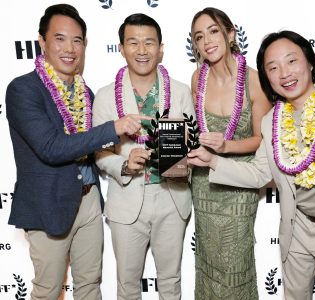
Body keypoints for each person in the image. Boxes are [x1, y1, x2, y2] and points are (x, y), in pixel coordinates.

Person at [188, 30, 315, 300]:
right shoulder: (271, 122)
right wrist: (214, 161)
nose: (284, 73)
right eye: (272, 68)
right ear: (266, 78)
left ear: (309, 61)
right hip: (297, 230)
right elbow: (259, 171)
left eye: (291, 61)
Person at [5, 4, 144, 300]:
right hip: (48, 205)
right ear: (42, 42)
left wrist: (125, 162)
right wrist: (113, 127)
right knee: (48, 290)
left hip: (89, 201)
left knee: (90, 285)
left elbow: (92, 149)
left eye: (77, 40)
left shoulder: (86, 93)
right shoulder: (23, 90)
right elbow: (51, 148)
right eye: (60, 38)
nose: (70, 48)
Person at [92, 13, 194, 300]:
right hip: (126, 201)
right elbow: (99, 152)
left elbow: (195, 145)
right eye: (133, 43)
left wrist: (187, 146)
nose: (142, 50)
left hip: (172, 198)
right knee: (127, 285)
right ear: (121, 48)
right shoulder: (104, 96)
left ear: (161, 48)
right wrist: (124, 163)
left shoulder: (182, 92)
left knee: (171, 282)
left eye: (149, 42)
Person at [189, 7, 271, 299]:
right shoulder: (197, 78)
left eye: (213, 31)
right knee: (208, 261)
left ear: (231, 33)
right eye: (199, 36)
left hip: (239, 183)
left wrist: (226, 146)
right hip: (204, 183)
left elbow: (261, 138)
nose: (207, 41)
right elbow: (199, 131)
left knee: (235, 263)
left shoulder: (254, 79)